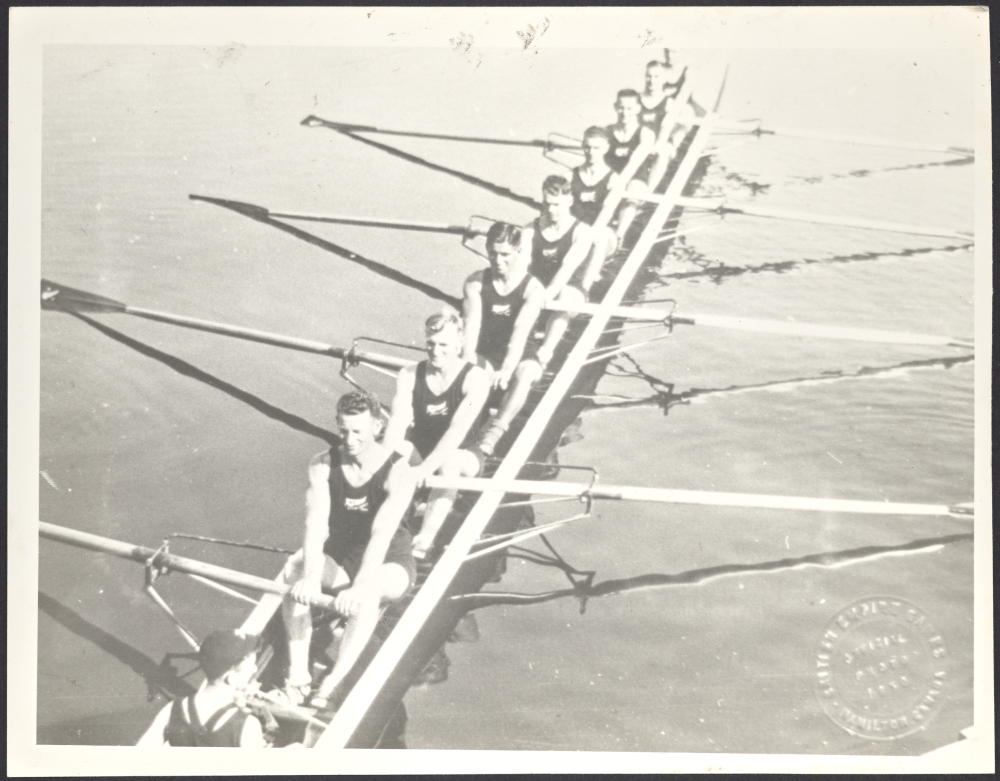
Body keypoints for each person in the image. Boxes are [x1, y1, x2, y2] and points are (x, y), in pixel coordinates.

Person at [279, 390, 417, 709]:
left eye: (358, 431)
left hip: (390, 562)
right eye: (344, 431)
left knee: (367, 594)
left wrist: (359, 586)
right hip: (342, 558)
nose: (350, 440)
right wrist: (310, 576)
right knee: (294, 567)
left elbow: (381, 535)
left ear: (377, 427)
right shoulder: (322, 465)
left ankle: (333, 682)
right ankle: (298, 674)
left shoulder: (399, 472)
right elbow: (315, 525)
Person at [382, 308, 491, 558]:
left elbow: (457, 430)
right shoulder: (409, 374)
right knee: (397, 451)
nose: (435, 351)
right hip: (421, 447)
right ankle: (388, 524)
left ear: (460, 343)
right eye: (430, 343)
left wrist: (424, 469)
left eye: (444, 345)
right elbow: (398, 421)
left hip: (464, 452)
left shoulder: (476, 378)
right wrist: (383, 462)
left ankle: (425, 537)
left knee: (449, 462)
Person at [461, 222, 546, 456]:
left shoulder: (533, 289)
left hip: (521, 353)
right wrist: (466, 363)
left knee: (526, 372)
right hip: (485, 352)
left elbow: (520, 332)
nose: (498, 261)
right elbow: (472, 327)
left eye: (505, 255)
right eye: (493, 254)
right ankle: (464, 426)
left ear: (519, 252)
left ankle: (494, 432)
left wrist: (507, 370)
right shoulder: (475, 283)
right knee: (470, 369)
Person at [136, 629, 265, 747]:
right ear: (230, 678)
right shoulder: (247, 726)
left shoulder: (173, 709)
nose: (255, 669)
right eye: (252, 665)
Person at [572, 126, 645, 248]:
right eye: (587, 147)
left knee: (602, 237)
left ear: (606, 149)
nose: (591, 152)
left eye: (596, 148)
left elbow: (607, 211)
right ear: (582, 146)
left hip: (599, 232)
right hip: (577, 231)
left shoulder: (614, 180)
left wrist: (589, 236)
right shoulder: (569, 176)